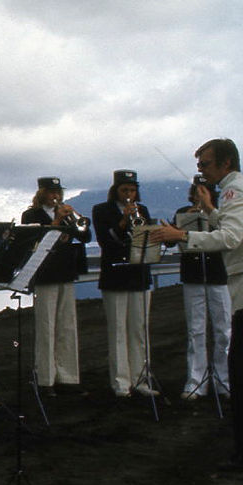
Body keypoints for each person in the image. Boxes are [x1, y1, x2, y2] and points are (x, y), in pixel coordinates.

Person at [152, 139, 243, 469]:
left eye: (206, 165)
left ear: (226, 164)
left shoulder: (235, 191)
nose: (201, 171)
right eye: (199, 165)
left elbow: (230, 238)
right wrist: (211, 211)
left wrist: (182, 236)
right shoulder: (241, 190)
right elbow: (232, 225)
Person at [21, 176, 90, 396]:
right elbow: (35, 242)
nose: (56, 196)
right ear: (42, 194)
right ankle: (45, 379)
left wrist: (74, 220)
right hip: (45, 274)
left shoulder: (68, 214)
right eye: (52, 192)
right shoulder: (31, 215)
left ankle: (68, 376)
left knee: (67, 326)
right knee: (46, 326)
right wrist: (57, 222)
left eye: (58, 192)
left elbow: (85, 236)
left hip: (66, 271)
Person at [92, 169, 156, 398]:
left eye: (132, 190)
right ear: (115, 190)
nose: (129, 194)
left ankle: (141, 380)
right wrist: (122, 221)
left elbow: (146, 240)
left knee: (139, 330)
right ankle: (121, 383)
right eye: (124, 190)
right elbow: (105, 241)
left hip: (138, 274)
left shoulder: (144, 211)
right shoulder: (101, 210)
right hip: (115, 277)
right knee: (118, 330)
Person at [170, 180, 231, 399]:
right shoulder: (182, 212)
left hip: (218, 274)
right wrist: (187, 218)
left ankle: (224, 381)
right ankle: (195, 381)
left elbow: (227, 237)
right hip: (193, 274)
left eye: (203, 192)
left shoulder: (220, 213)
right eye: (196, 193)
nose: (199, 196)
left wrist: (208, 212)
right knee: (196, 329)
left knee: (223, 328)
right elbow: (172, 241)